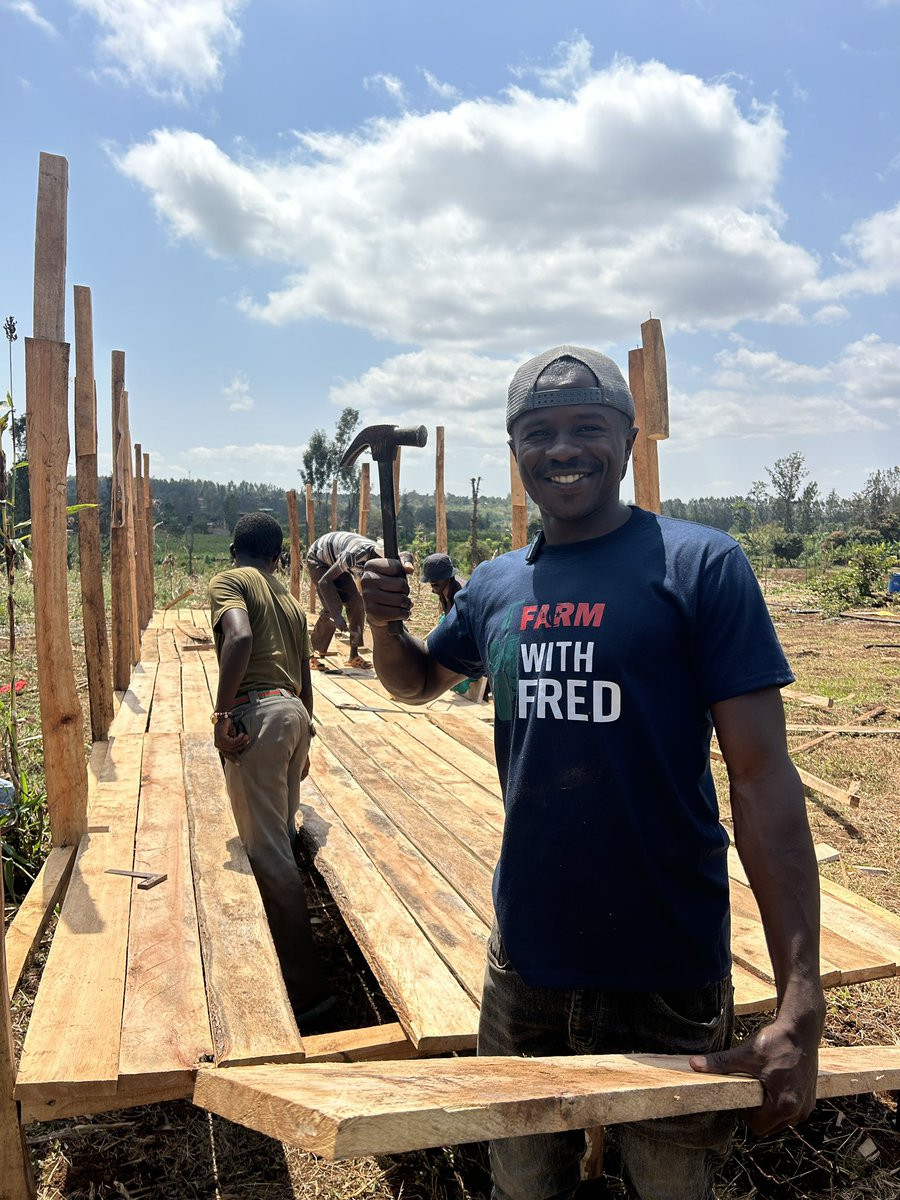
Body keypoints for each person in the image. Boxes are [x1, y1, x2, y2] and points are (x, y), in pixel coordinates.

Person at [360, 346, 825, 1200]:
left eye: (587, 427)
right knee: (522, 1183)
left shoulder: (700, 566)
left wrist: (802, 996)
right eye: (539, 432)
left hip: (666, 967)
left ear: (628, 439)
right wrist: (385, 628)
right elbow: (420, 681)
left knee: (670, 1185)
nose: (563, 448)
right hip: (525, 963)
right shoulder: (498, 584)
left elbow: (762, 780)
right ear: (516, 451)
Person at [209, 512, 334, 1031]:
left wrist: (221, 714)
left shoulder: (230, 581)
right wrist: (305, 737)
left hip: (257, 716)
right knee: (281, 836)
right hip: (294, 714)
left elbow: (237, 639)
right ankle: (298, 956)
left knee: (269, 854)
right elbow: (305, 674)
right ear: (278, 557)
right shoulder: (288, 599)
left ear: (233, 550)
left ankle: (306, 991)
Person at [305, 531, 379, 668]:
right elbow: (324, 582)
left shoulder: (379, 560)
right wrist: (337, 616)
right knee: (333, 606)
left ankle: (354, 656)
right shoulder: (354, 555)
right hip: (318, 559)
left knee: (357, 603)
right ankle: (309, 655)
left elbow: (362, 588)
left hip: (335, 562)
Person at [420, 551, 467, 616]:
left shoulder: (460, 596)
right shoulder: (443, 589)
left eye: (438, 578)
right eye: (431, 579)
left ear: (448, 576)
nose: (433, 582)